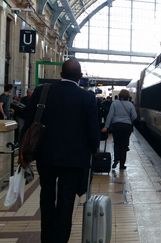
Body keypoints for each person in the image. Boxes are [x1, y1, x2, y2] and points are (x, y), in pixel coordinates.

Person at [21, 59, 100, 243]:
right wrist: (94, 149)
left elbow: (28, 120)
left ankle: (47, 238)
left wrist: (24, 150)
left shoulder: (42, 92)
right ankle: (60, 239)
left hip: (45, 157)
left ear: (61, 75)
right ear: (80, 77)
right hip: (74, 160)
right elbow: (93, 132)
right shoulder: (87, 98)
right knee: (66, 200)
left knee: (46, 195)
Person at [101, 89, 137, 170]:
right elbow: (134, 117)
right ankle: (122, 165)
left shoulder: (114, 103)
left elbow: (110, 116)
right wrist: (128, 119)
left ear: (120, 95)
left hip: (116, 126)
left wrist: (106, 127)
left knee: (116, 143)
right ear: (128, 96)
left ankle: (116, 159)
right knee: (124, 146)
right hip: (126, 127)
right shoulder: (130, 105)